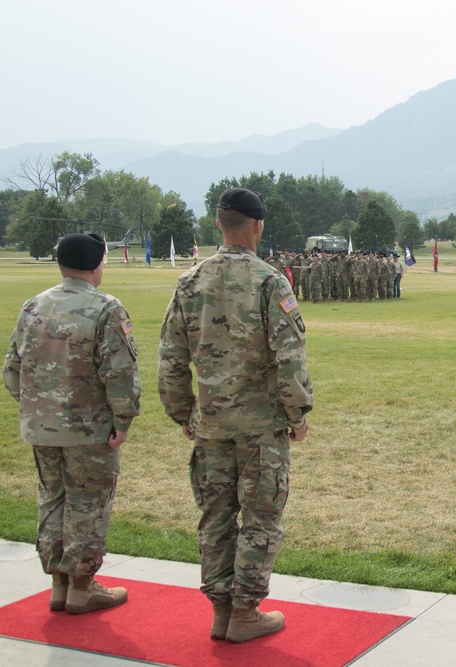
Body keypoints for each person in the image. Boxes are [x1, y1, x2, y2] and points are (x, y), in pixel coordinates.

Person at [158, 188, 313, 644]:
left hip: (210, 425)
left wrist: (183, 412)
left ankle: (222, 610)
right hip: (260, 427)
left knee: (216, 517)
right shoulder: (269, 281)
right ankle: (244, 611)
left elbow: (170, 358)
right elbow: (290, 356)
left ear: (219, 224)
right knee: (261, 517)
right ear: (258, 226)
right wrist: (298, 412)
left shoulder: (190, 281)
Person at [3, 233, 141, 614]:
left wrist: (40, 408)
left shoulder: (34, 306)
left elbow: (12, 370)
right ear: (96, 265)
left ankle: (58, 584)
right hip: (89, 429)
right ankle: (81, 585)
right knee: (89, 503)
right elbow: (120, 375)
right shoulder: (105, 308)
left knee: (53, 500)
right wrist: (123, 420)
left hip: (42, 427)